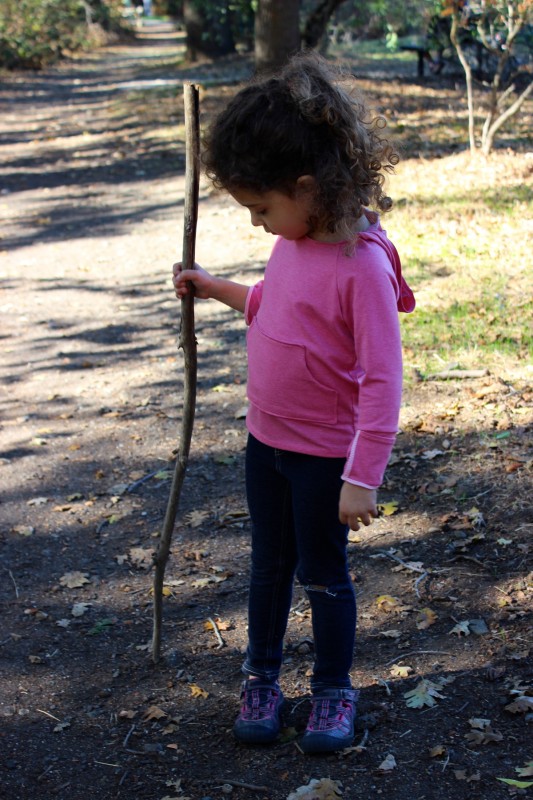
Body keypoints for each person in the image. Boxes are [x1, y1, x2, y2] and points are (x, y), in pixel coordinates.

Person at [173, 52, 415, 754]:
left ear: (307, 189)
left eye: (260, 208)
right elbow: (276, 312)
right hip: (266, 444)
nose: (256, 224)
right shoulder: (294, 243)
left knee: (324, 574)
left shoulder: (359, 266)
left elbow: (382, 378)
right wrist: (214, 287)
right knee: (268, 565)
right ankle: (263, 678)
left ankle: (334, 690)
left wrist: (361, 475)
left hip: (321, 460)